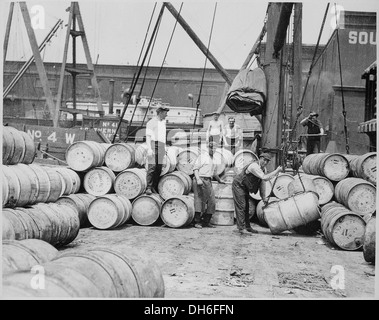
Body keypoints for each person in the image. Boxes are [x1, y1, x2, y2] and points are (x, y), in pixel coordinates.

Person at [232, 153, 282, 235]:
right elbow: (265, 178)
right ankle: (241, 228)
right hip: (239, 185)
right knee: (242, 206)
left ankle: (247, 227)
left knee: (247, 207)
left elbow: (262, 184)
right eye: (264, 160)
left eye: (267, 161)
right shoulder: (254, 166)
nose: (265, 162)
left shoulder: (263, 169)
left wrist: (264, 198)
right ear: (260, 158)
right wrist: (277, 171)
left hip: (245, 186)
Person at [191, 141, 225, 229]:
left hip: (208, 180)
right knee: (199, 200)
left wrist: (219, 180)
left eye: (214, 148)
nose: (213, 149)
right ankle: (197, 222)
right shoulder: (202, 157)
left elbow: (214, 172)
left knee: (212, 201)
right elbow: (195, 169)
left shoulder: (214, 159)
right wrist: (198, 179)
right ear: (208, 148)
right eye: (211, 148)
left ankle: (206, 221)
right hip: (200, 179)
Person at [145, 106, 170, 195]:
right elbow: (148, 136)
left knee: (159, 168)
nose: (166, 115)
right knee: (152, 167)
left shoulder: (163, 123)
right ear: (160, 112)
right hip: (153, 144)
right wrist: (149, 149)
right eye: (165, 113)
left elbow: (163, 136)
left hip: (161, 146)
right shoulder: (151, 123)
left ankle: (153, 187)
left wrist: (165, 147)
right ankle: (148, 187)